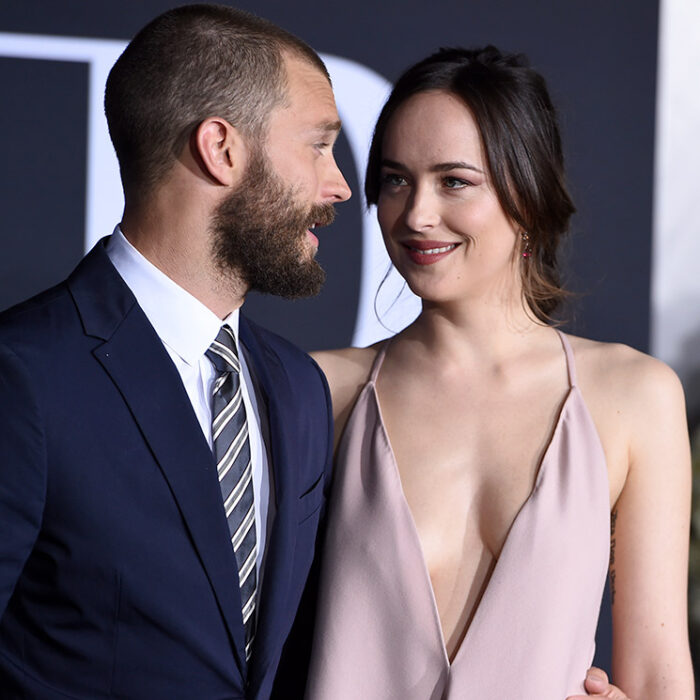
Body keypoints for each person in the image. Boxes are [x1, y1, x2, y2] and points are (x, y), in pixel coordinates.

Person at [307, 47, 693, 699]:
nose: (417, 215)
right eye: (397, 180)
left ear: (528, 193)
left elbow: (658, 672)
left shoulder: (635, 396)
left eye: (454, 181)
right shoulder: (321, 390)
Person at [0, 5, 351, 699]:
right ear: (221, 149)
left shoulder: (297, 387)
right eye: (318, 145)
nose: (338, 184)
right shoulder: (24, 376)